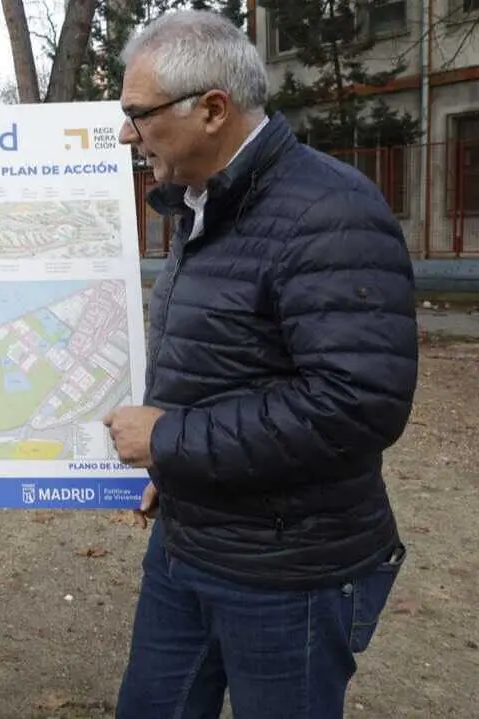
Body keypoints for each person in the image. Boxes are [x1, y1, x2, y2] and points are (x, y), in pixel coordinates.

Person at [103, 10, 418, 718]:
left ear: (212, 110)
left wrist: (167, 439)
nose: (128, 133)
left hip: (290, 574)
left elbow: (355, 404)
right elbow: (225, 363)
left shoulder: (330, 212)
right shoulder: (204, 204)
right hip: (192, 544)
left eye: (138, 114)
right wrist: (179, 470)